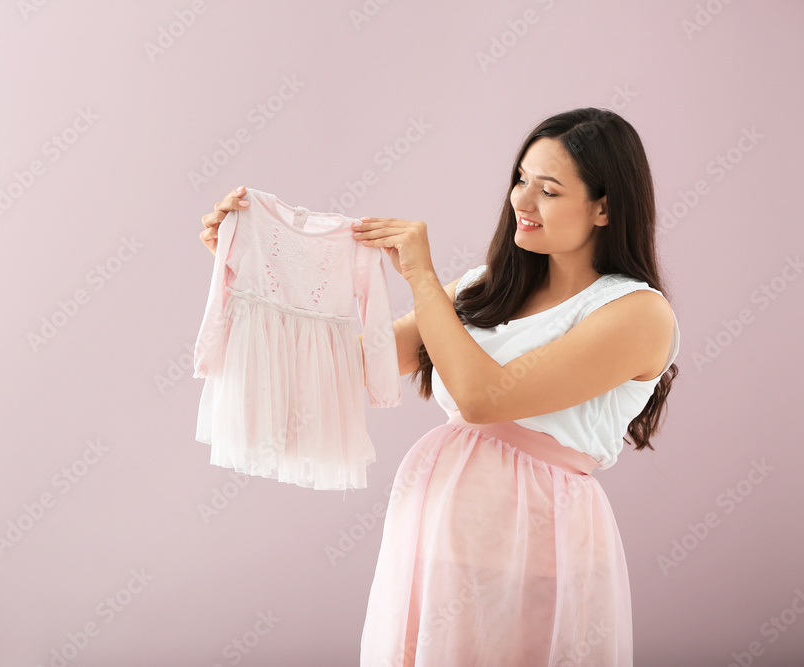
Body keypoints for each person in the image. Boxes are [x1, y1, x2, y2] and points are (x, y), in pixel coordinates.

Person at [198, 107, 678, 666]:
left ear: (605, 207)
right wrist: (250, 269)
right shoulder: (487, 289)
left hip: (534, 541)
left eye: (548, 190)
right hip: (435, 531)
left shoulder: (638, 313)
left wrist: (422, 277)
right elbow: (342, 371)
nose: (521, 202)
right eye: (520, 180)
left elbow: (484, 398)